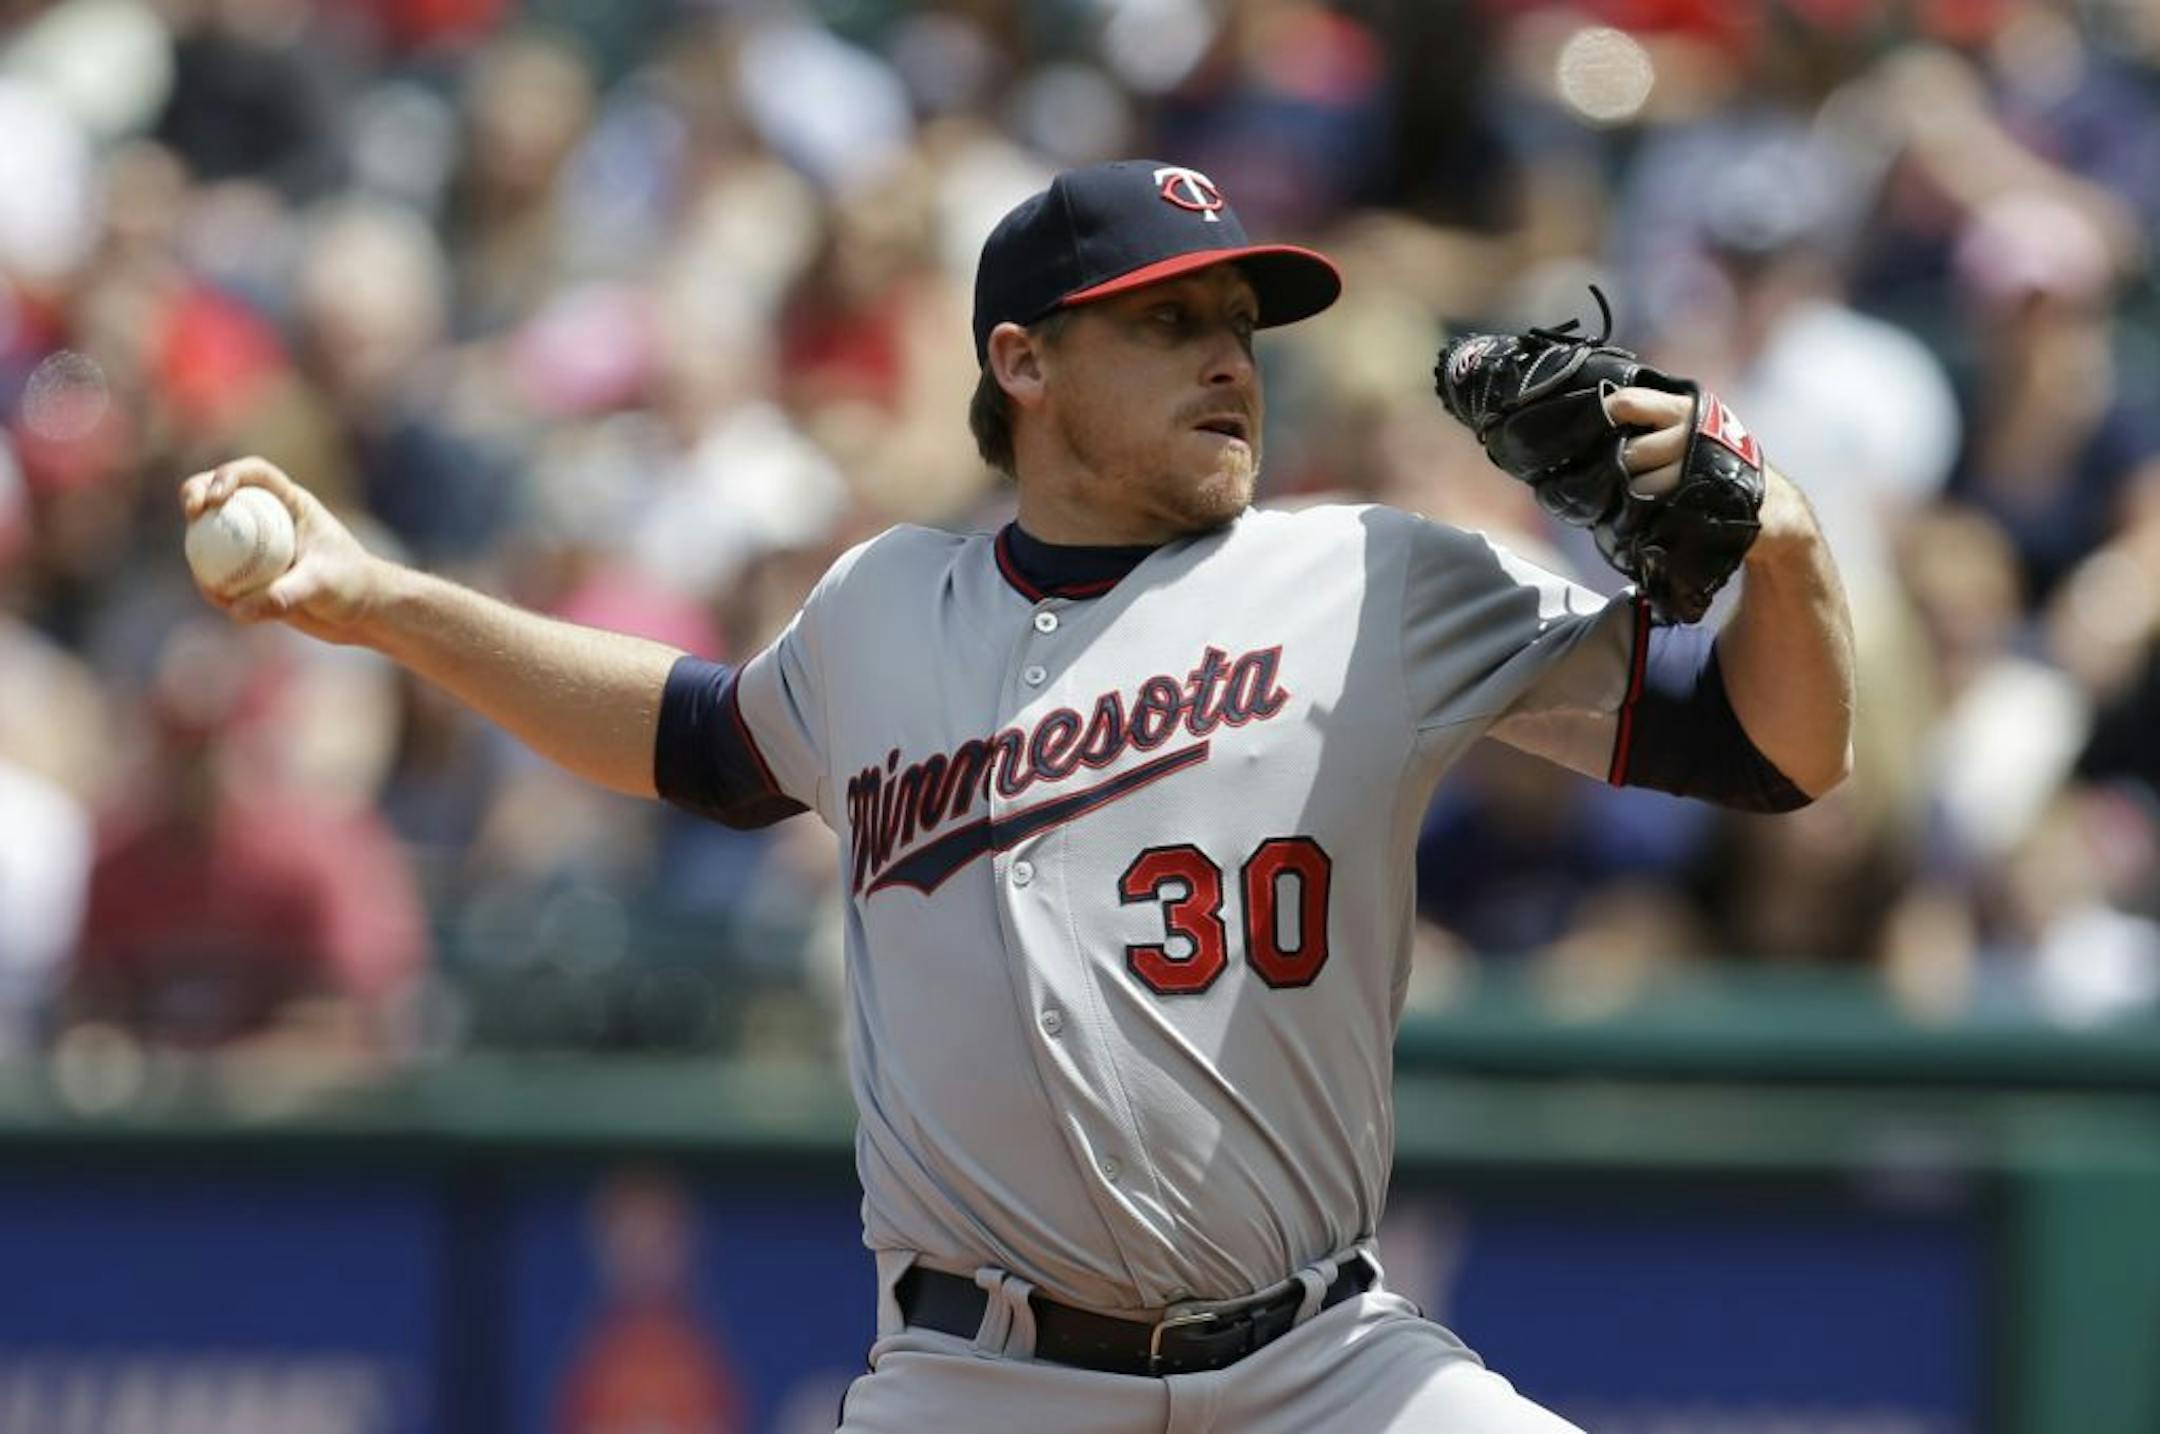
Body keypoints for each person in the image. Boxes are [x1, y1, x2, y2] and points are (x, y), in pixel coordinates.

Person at [182, 159, 1854, 1431]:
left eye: (1240, 329)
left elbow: (1775, 750)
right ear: (1024, 362)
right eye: (1169, 321)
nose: (1230, 363)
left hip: (1324, 1366)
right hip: (981, 1381)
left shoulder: (1371, 577)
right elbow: (695, 741)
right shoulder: (884, 608)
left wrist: (1778, 535)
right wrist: (378, 599)